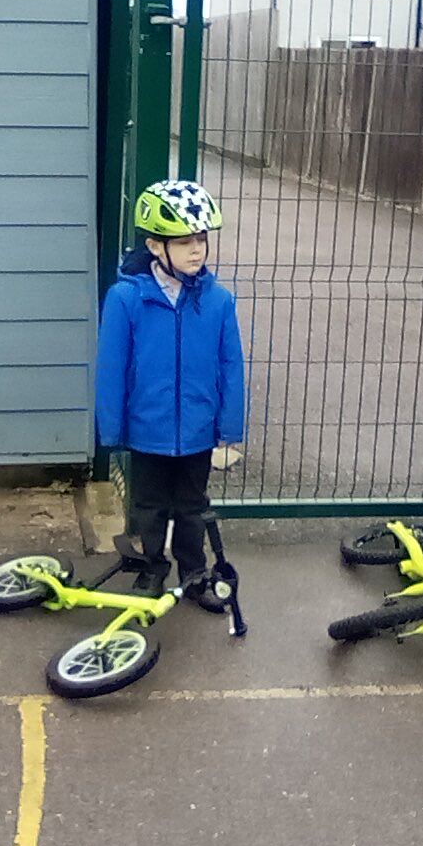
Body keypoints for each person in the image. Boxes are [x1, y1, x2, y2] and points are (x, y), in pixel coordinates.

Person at [95, 180, 246, 595]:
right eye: (184, 241)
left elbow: (231, 366)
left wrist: (229, 427)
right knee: (148, 508)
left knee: (193, 508)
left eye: (201, 238)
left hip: (197, 430)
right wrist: (112, 428)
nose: (197, 249)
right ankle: (151, 569)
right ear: (155, 246)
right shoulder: (126, 299)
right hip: (148, 428)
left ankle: (195, 575)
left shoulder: (218, 302)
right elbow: (111, 367)